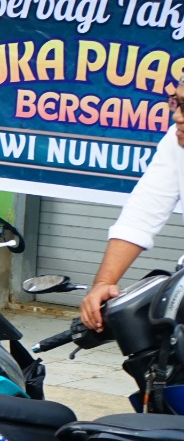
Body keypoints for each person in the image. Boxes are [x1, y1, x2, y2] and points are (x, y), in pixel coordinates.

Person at [81, 88, 184, 330]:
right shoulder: (176, 141)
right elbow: (143, 211)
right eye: (176, 103)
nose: (177, 116)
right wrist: (104, 282)